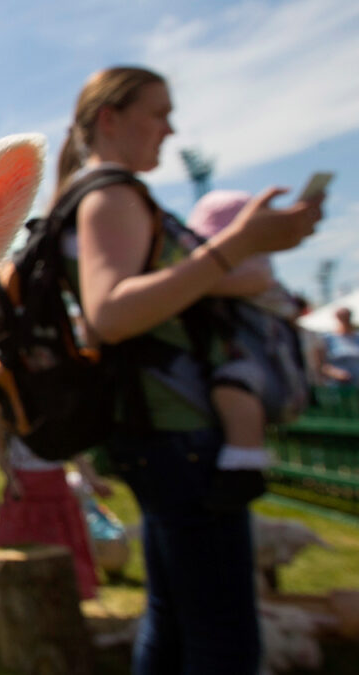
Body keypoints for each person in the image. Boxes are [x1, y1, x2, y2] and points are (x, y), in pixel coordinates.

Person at [63, 66, 321, 673]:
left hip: (156, 431)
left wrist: (248, 246)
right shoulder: (112, 194)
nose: (170, 129)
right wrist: (234, 247)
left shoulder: (98, 193)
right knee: (225, 636)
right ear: (111, 119)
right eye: (158, 113)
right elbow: (112, 311)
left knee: (175, 618)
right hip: (178, 433)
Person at [186, 190, 304, 504]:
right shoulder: (247, 268)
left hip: (259, 358)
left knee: (233, 389)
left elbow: (203, 284)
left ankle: (245, 461)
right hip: (243, 352)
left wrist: (174, 279)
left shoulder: (254, 271)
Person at [0, 435, 107, 601]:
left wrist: (94, 481)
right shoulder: (4, 412)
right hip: (24, 487)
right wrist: (12, 479)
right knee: (22, 545)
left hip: (55, 484)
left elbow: (75, 450)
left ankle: (66, 597)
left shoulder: (57, 413)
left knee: (62, 544)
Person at [320, 307, 359, 386]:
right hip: (339, 386)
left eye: (347, 317)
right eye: (342, 318)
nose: (345, 321)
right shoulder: (328, 339)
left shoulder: (357, 337)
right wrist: (336, 373)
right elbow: (321, 365)